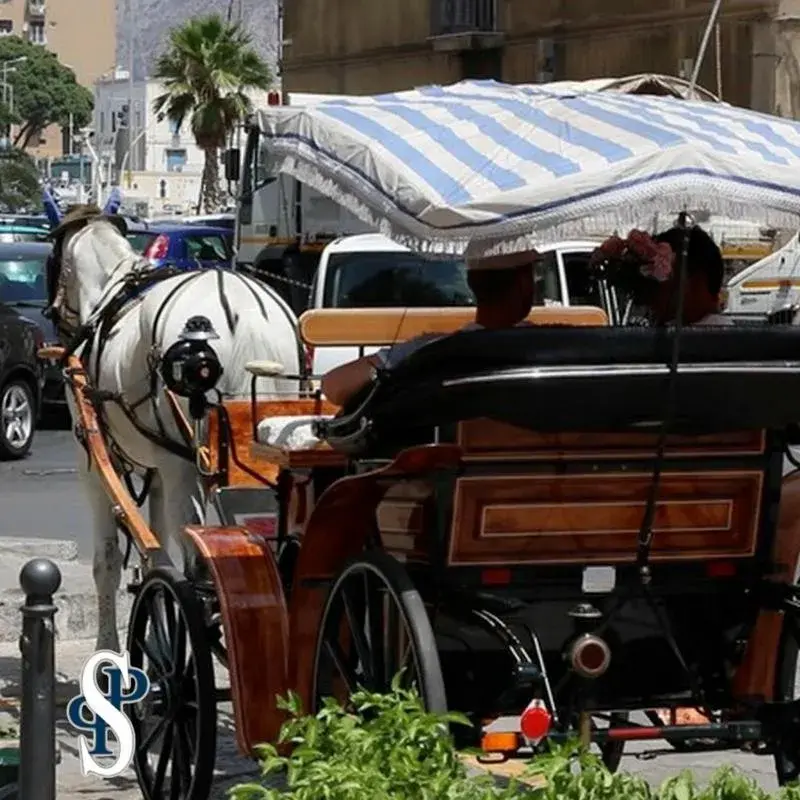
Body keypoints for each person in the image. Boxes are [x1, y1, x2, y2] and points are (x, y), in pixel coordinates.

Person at [320, 244, 538, 406]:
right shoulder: (550, 345)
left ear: (471, 282)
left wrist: (400, 370)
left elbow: (334, 386)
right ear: (524, 283)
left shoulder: (431, 351)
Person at [646, 225, 732, 327]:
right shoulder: (736, 339)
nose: (651, 294)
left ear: (697, 283)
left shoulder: (692, 339)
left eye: (660, 278)